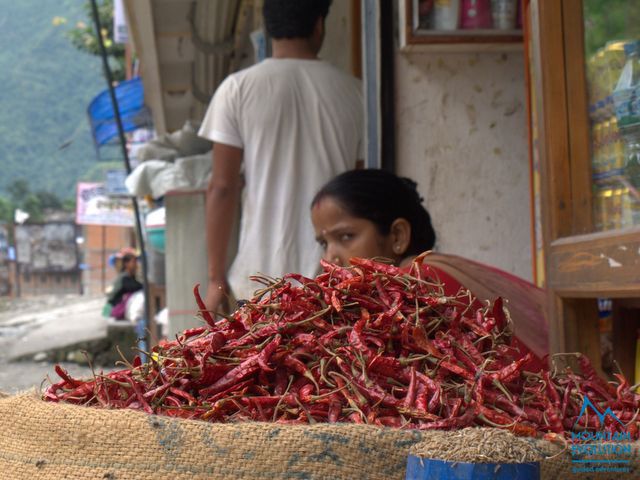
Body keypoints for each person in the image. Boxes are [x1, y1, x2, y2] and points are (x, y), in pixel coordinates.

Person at [198, 0, 364, 313]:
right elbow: (360, 190)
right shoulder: (356, 93)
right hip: (332, 280)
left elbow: (222, 187)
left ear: (267, 29)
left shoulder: (236, 90)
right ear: (319, 25)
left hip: (259, 280)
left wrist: (215, 277)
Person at [311, 169, 549, 363]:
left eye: (345, 237)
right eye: (324, 243)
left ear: (397, 236)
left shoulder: (420, 284)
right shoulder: (419, 277)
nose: (330, 257)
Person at [104, 248, 143, 320]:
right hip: (109, 310)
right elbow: (137, 287)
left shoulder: (129, 276)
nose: (136, 264)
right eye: (133, 262)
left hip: (109, 309)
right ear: (126, 264)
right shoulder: (124, 278)